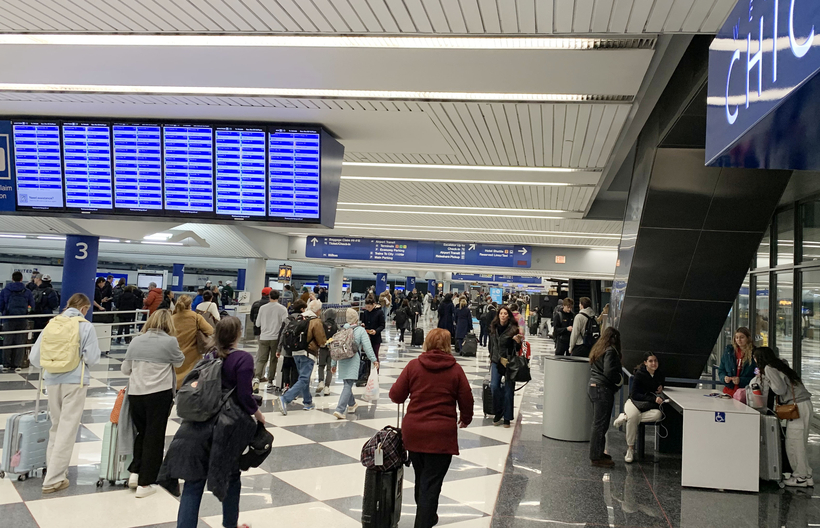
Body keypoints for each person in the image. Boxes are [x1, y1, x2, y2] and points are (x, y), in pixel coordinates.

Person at [159, 317, 262, 528]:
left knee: (193, 482)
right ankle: (230, 524)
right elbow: (244, 395)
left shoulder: (208, 357)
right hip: (226, 427)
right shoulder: (243, 359)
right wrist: (258, 414)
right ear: (237, 334)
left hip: (196, 425)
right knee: (232, 476)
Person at [389, 328, 474, 528]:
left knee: (422, 477)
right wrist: (466, 418)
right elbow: (467, 399)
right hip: (441, 435)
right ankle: (424, 521)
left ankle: (428, 515)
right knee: (432, 483)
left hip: (414, 433)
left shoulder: (413, 366)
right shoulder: (455, 370)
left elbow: (395, 395)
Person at [29, 293, 101, 493]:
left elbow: (35, 357)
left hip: (51, 380)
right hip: (75, 382)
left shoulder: (52, 324)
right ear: (84, 308)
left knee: (56, 426)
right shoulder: (85, 325)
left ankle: (53, 471)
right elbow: (93, 358)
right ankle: (54, 479)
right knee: (67, 430)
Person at [121, 309, 184, 497]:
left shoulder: (136, 341)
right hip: (159, 394)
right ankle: (145, 483)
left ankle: (135, 472)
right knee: (154, 437)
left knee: (142, 433)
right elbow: (179, 362)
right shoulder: (170, 341)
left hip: (136, 393)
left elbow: (126, 369)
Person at [754, 346, 814, 487]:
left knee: (794, 443)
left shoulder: (769, 368)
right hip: (805, 404)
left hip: (796, 407)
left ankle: (800, 477)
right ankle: (807, 474)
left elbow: (779, 389)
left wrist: (768, 381)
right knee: (801, 442)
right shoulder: (781, 364)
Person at [613, 352, 665, 463]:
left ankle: (625, 417)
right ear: (645, 363)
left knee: (658, 414)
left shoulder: (659, 374)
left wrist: (661, 387)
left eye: (655, 361)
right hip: (634, 402)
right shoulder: (639, 375)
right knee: (634, 416)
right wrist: (653, 399)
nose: (654, 363)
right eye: (650, 361)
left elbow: (660, 384)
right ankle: (630, 448)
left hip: (646, 407)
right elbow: (634, 394)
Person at [277, 299, 327, 414]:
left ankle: (307, 402)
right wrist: (325, 343)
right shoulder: (315, 321)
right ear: (318, 310)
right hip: (307, 352)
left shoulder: (299, 317)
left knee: (303, 377)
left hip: (295, 351)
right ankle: (285, 399)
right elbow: (321, 340)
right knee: (304, 378)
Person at [331, 308, 379, 420]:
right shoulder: (360, 331)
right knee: (348, 384)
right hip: (353, 359)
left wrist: (333, 364)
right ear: (356, 318)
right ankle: (340, 410)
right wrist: (374, 359)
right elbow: (367, 347)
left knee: (347, 383)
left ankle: (352, 404)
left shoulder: (342, 330)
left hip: (342, 359)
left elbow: (335, 348)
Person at [588, 327, 624, 468]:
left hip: (593, 387)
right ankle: (596, 457)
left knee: (598, 423)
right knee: (600, 424)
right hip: (603, 389)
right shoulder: (610, 351)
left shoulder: (599, 349)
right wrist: (619, 380)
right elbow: (609, 372)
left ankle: (598, 453)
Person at [488, 306, 522, 428]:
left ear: (508, 316)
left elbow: (517, 348)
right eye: (501, 313)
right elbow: (491, 344)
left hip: (509, 361)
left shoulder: (513, 329)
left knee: (508, 390)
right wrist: (491, 357)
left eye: (505, 313)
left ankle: (507, 417)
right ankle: (498, 412)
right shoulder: (493, 328)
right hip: (496, 360)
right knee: (494, 386)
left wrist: (517, 342)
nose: (503, 315)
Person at [171, 295, 215, 389]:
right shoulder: (195, 317)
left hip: (174, 355)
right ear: (190, 305)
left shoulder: (172, 318)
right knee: (190, 382)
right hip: (192, 356)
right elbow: (210, 330)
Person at [0, 270, 34, 371]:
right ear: (22, 279)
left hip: (8, 319)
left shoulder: (5, 290)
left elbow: (1, 305)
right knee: (20, 342)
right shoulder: (27, 291)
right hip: (22, 319)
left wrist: (5, 313)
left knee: (7, 342)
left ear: (12, 279)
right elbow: (32, 305)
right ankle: (17, 365)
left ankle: (6, 364)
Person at [255, 290, 288, 388]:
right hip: (275, 338)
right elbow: (285, 323)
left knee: (261, 359)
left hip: (263, 337)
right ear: (279, 297)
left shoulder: (262, 308)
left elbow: (257, 323)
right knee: (273, 360)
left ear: (269, 296)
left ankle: (257, 377)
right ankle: (270, 381)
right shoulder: (282, 309)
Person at [718, 326, 756, 397]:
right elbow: (721, 370)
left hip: (746, 393)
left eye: (742, 337)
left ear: (748, 338)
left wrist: (741, 381)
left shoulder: (754, 353)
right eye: (736, 337)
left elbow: (757, 376)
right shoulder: (729, 352)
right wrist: (724, 378)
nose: (739, 340)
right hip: (728, 392)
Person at [358, 295, 385, 386]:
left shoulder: (379, 312)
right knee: (366, 356)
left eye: (369, 307)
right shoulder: (365, 313)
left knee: (374, 356)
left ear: (373, 305)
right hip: (366, 337)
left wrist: (376, 331)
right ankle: (365, 374)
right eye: (366, 307)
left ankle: (375, 375)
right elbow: (363, 322)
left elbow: (382, 325)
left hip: (375, 338)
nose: (368, 308)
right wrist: (363, 325)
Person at [316, 307, 337, 395]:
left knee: (321, 365)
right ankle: (327, 387)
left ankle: (320, 381)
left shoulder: (322, 324)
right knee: (329, 368)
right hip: (332, 349)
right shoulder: (336, 326)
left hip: (322, 347)